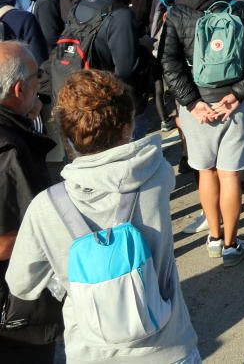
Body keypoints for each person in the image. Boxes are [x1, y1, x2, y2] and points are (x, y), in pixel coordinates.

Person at [6, 69, 199, 362]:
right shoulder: (156, 173)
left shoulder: (45, 207)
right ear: (127, 125)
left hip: (94, 353)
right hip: (169, 346)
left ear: (67, 137)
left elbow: (21, 284)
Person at [161, 0, 244, 266]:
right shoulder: (241, 9)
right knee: (230, 174)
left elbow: (169, 63)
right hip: (232, 103)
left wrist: (190, 102)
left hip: (198, 108)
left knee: (206, 171)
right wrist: (238, 93)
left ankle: (214, 238)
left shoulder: (177, 14)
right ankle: (232, 245)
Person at [0, 42, 61, 362]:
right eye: (38, 79)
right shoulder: (9, 151)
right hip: (17, 310)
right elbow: (4, 241)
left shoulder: (15, 128)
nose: (43, 86)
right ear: (19, 88)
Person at [66, 0, 153, 102]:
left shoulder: (82, 3)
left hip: (76, 91)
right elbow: (126, 70)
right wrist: (144, 48)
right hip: (104, 99)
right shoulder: (121, 15)